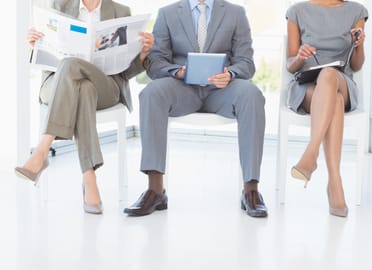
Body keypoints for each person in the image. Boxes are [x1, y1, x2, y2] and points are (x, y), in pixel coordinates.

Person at [123, 0, 268, 218]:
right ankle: (155, 190)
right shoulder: (167, 13)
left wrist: (230, 74)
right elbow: (156, 64)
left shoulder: (236, 13)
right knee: (151, 93)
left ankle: (251, 190)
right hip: (182, 88)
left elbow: (246, 63)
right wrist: (177, 71)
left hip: (222, 89)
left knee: (252, 95)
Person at [15, 0, 154, 214]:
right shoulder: (58, 6)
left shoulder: (120, 11)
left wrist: (143, 54)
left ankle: (42, 149)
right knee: (83, 87)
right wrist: (35, 46)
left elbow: (126, 72)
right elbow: (42, 58)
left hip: (106, 86)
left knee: (73, 68)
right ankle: (89, 176)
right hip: (56, 83)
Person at [285, 0, 368, 217]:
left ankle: (311, 154)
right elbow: (290, 63)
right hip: (307, 87)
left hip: (341, 80)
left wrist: (359, 45)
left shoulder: (357, 11)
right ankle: (335, 182)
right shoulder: (297, 11)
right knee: (336, 102)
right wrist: (300, 57)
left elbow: (357, 65)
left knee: (329, 74)